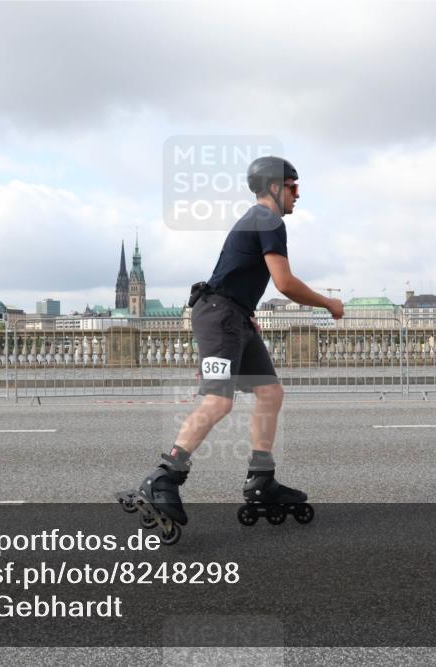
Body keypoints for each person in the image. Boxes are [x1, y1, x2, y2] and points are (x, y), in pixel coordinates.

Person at [136, 156, 345, 527]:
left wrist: (245, 312)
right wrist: (328, 303)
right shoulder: (268, 220)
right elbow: (285, 283)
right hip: (221, 316)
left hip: (234, 316)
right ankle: (164, 476)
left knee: (270, 392)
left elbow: (232, 272)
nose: (299, 194)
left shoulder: (258, 221)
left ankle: (261, 479)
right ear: (276, 188)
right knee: (218, 400)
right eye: (294, 187)